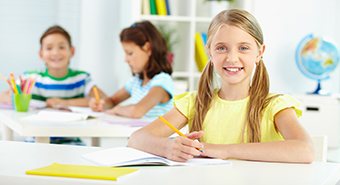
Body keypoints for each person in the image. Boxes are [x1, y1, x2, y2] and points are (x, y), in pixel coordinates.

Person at [128, 9, 314, 163]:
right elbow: (137, 139)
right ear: (209, 51)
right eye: (221, 48)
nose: (232, 58)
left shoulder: (275, 106)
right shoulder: (195, 102)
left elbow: (305, 150)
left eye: (243, 48)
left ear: (259, 52)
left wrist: (222, 150)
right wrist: (168, 147)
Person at [0, 25, 106, 108]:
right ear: (41, 54)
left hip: (70, 135)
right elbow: (4, 96)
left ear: (72, 51)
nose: (55, 53)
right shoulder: (30, 78)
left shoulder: (82, 78)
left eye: (61, 47)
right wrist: (9, 98)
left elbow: (105, 100)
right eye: (49, 48)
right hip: (36, 135)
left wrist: (67, 103)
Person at [89, 21, 174, 119]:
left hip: (156, 135)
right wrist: (101, 103)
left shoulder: (162, 82)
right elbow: (112, 100)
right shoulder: (136, 82)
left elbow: (136, 111)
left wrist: (117, 109)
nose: (125, 59)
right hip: (138, 134)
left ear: (148, 48)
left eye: (129, 53)